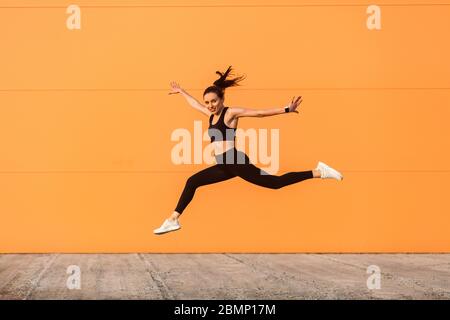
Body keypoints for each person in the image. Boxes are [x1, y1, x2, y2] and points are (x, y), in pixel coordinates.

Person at [154, 66, 343, 235]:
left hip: (234, 160)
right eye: (207, 102)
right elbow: (195, 104)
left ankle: (319, 171)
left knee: (275, 183)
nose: (210, 105)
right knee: (192, 181)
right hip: (224, 164)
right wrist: (181, 92)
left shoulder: (230, 113)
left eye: (213, 101)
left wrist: (286, 109)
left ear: (222, 99)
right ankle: (173, 220)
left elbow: (259, 113)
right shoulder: (210, 115)